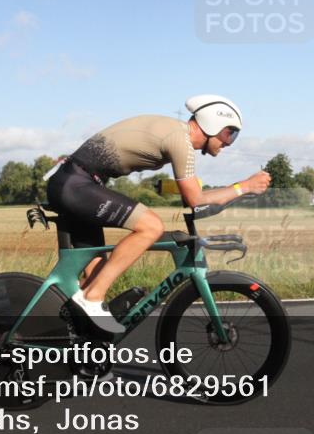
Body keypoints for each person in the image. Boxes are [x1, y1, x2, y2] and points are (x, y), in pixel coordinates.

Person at [45, 94, 271, 334]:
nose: (230, 141)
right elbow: (196, 200)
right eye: (230, 133)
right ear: (212, 123)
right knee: (151, 226)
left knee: (96, 272)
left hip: (76, 183)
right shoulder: (179, 139)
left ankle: (85, 352)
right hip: (76, 185)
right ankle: (91, 298)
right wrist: (243, 187)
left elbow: (194, 199)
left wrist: (240, 191)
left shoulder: (176, 135)